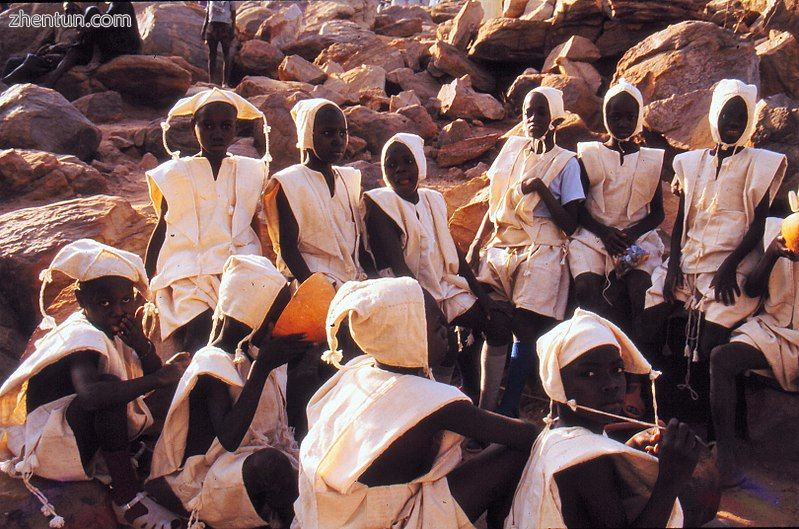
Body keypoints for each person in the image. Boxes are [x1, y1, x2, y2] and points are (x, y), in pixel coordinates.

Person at [294, 277, 539, 529]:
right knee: (514, 449)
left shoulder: (356, 373)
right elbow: (525, 434)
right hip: (390, 521)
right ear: (407, 338)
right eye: (436, 329)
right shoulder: (433, 400)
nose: (446, 332)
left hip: (336, 517)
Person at [0, 239, 187, 529]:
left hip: (77, 433)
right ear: (81, 301)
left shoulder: (115, 328)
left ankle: (125, 459)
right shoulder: (82, 336)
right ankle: (127, 501)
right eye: (104, 302)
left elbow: (155, 373)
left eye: (126, 300)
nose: (117, 310)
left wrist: (144, 347)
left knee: (162, 384)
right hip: (52, 444)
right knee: (109, 391)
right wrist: (156, 377)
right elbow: (90, 396)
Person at [643, 79, 787, 420]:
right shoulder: (691, 163)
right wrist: (673, 262)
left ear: (750, 120)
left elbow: (756, 227)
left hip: (732, 265)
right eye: (726, 114)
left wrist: (728, 267)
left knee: (711, 343)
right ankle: (658, 407)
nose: (732, 122)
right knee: (650, 319)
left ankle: (709, 421)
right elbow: (683, 220)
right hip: (689, 260)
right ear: (714, 116)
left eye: (740, 116)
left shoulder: (759, 163)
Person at [147, 255, 308, 529]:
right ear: (254, 317)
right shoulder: (211, 361)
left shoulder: (251, 354)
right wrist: (263, 368)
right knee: (272, 466)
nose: (276, 327)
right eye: (274, 317)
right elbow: (229, 439)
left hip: (234, 468)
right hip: (201, 481)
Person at [505, 309, 699, 528]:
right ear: (557, 384)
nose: (611, 384)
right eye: (589, 374)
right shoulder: (586, 462)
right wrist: (670, 481)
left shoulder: (558, 433)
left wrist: (631, 446)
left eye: (617, 369)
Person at [467, 87, 584, 417]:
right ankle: (485, 406)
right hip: (504, 242)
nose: (532, 119)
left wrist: (542, 189)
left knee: (523, 323)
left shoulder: (566, 163)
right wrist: (477, 244)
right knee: (493, 319)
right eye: (527, 113)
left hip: (544, 244)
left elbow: (571, 224)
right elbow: (495, 206)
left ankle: (509, 405)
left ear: (555, 119)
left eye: (541, 113)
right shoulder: (513, 151)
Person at [363, 133, 512, 385]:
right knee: (444, 349)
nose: (400, 170)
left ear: (420, 163)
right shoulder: (382, 204)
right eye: (391, 165)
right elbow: (399, 270)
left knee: (497, 323)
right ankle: (440, 400)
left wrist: (482, 297)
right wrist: (435, 315)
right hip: (407, 295)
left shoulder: (432, 199)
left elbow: (450, 250)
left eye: (407, 161)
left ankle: (485, 403)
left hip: (443, 286)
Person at [145, 88, 270, 355]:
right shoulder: (176, 173)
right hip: (190, 269)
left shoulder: (249, 170)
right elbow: (164, 226)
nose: (217, 133)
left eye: (226, 126)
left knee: (247, 334)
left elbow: (251, 223)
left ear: (235, 129)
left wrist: (262, 265)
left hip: (238, 264)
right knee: (199, 334)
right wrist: (145, 279)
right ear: (194, 127)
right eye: (208, 125)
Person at [570, 79, 665, 339]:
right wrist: (604, 232)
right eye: (616, 117)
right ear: (605, 118)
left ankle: (639, 364)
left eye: (629, 117)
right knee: (586, 287)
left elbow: (657, 213)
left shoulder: (650, 160)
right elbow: (577, 207)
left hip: (637, 237)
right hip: (593, 236)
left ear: (639, 117)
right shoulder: (590, 155)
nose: (623, 123)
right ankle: (595, 346)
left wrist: (631, 236)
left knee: (640, 289)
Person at [710, 212, 799, 487]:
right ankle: (726, 457)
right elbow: (753, 290)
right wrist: (772, 254)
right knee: (721, 358)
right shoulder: (777, 230)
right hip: (772, 331)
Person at [264, 98, 371, 289]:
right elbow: (289, 251)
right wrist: (317, 290)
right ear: (307, 135)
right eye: (327, 133)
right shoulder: (290, 182)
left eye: (342, 133)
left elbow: (359, 246)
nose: (337, 140)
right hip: (313, 281)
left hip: (353, 281)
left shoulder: (350, 179)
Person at [41, 2, 141, 88]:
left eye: (72, 11)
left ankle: (54, 76)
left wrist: (85, 28)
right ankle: (75, 52)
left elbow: (108, 22)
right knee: (91, 14)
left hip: (125, 47)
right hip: (116, 42)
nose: (70, 13)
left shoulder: (122, 3)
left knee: (92, 12)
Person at [202, 1, 236, 87]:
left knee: (226, 54)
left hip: (225, 27)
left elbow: (233, 13)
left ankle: (225, 82)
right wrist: (204, 29)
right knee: (212, 55)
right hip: (212, 26)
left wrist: (232, 29)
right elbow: (207, 13)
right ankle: (211, 82)